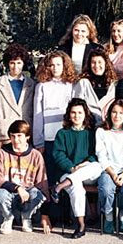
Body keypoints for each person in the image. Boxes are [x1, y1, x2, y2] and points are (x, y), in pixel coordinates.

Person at [51, 98, 102, 239]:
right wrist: (71, 167)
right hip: (69, 172)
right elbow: (58, 154)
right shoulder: (62, 133)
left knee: (97, 166)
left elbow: (96, 154)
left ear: (85, 114)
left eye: (80, 112)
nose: (76, 116)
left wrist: (84, 164)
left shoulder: (92, 133)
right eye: (73, 113)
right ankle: (81, 225)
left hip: (89, 173)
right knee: (76, 188)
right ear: (69, 114)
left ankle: (59, 187)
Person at [0, 120, 49, 234]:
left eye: (19, 136)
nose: (16, 140)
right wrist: (17, 188)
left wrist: (45, 215)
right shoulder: (2, 154)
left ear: (27, 137)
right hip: (9, 192)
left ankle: (26, 218)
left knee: (38, 194)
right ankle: (8, 218)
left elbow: (42, 183)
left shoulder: (36, 155)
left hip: (28, 194)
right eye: (12, 136)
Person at [96, 99, 123, 235]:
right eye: (114, 112)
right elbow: (101, 155)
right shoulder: (102, 131)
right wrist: (112, 173)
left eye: (121, 113)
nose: (117, 116)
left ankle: (122, 215)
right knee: (106, 189)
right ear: (109, 114)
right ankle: (109, 216)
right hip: (108, 169)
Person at [33, 51, 76, 186]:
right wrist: (39, 142)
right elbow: (37, 115)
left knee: (66, 174)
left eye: (58, 64)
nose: (55, 68)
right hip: (50, 138)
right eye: (52, 65)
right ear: (47, 67)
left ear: (64, 65)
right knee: (50, 174)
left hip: (67, 136)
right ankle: (50, 204)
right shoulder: (42, 86)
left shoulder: (70, 85)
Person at [0, 44, 35, 153]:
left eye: (19, 63)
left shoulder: (31, 84)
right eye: (12, 63)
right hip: (6, 134)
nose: (15, 66)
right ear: (8, 64)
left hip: (25, 133)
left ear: (23, 63)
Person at [73, 49, 117, 125]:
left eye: (100, 62)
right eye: (93, 62)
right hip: (88, 127)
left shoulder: (113, 85)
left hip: (108, 128)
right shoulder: (83, 83)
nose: (96, 65)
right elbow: (76, 106)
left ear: (106, 64)